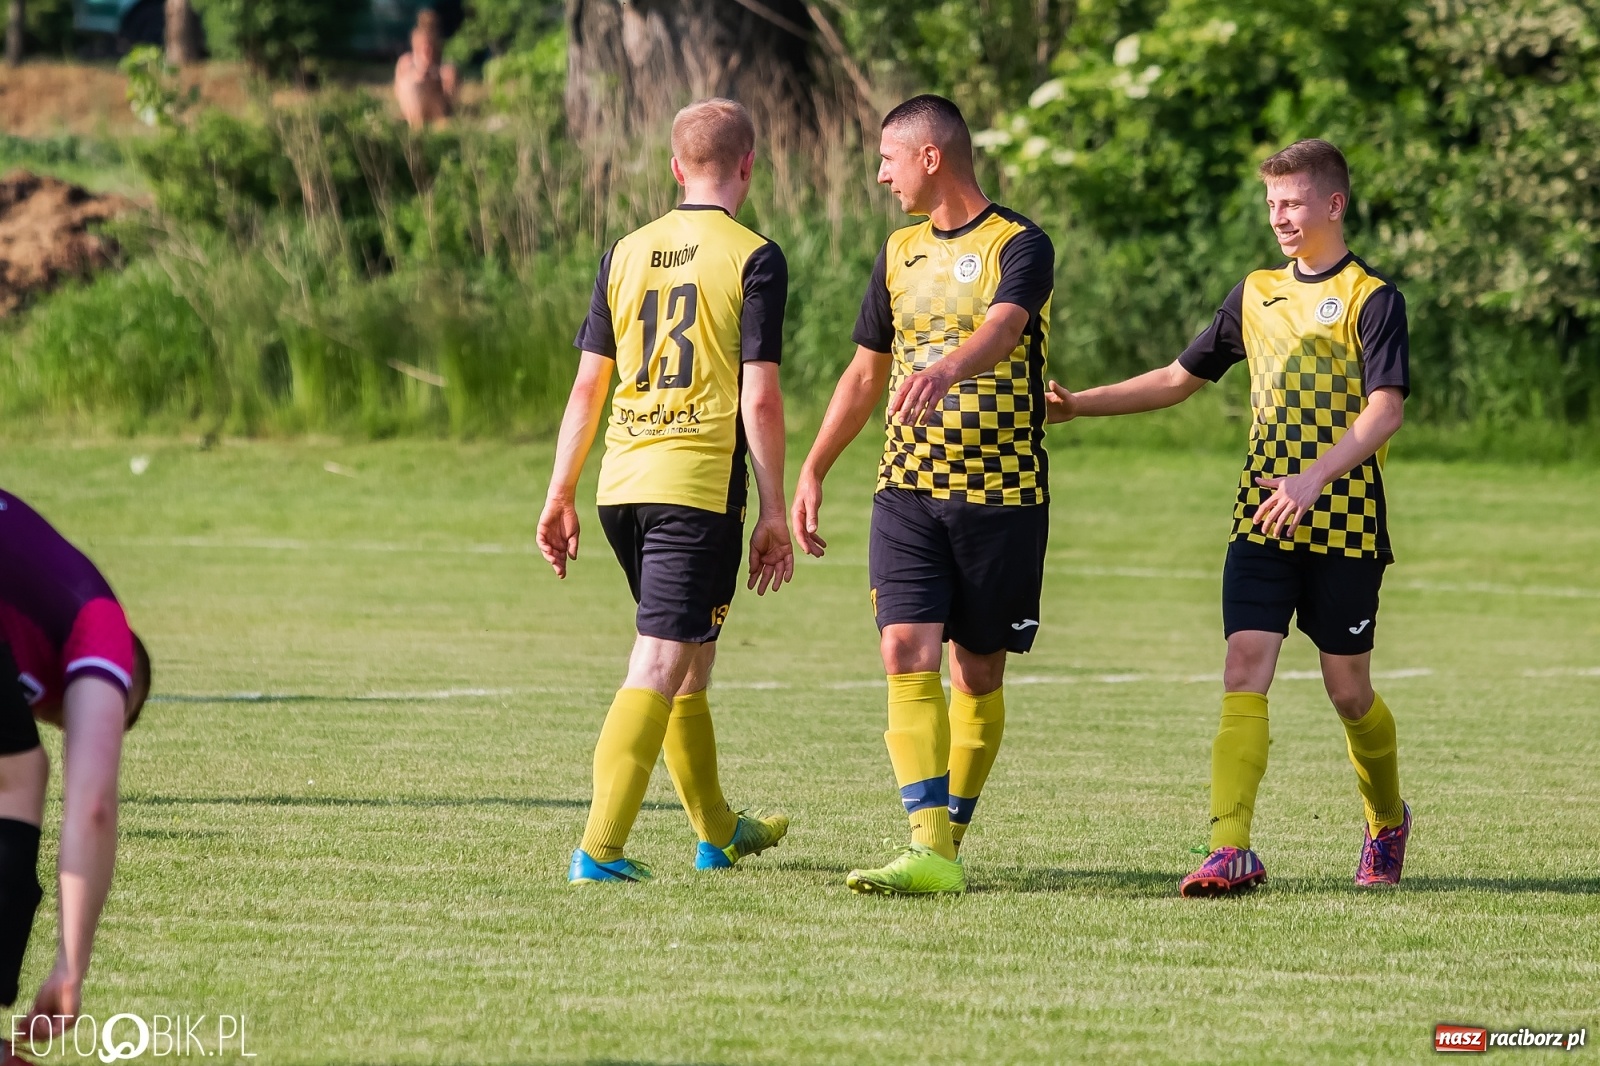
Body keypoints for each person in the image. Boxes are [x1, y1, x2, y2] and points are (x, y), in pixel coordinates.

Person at [1046, 138, 1413, 895]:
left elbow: (1386, 411)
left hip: (1344, 526)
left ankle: (1385, 821)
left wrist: (1314, 477)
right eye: (1272, 203)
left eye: (1293, 202)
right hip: (1261, 522)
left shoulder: (1374, 299)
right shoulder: (1254, 294)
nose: (1279, 217)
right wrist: (1082, 404)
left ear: (1333, 205)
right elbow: (1179, 378)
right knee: (1244, 667)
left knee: (1349, 693)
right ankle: (1230, 847)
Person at [792, 95, 1055, 896]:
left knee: (977, 674)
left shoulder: (1021, 243)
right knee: (904, 651)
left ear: (931, 156)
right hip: (906, 489)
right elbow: (867, 370)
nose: (880, 175)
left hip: (1002, 497)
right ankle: (928, 845)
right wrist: (813, 466)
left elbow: (1006, 329)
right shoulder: (897, 251)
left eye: (887, 159)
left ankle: (949, 839)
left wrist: (945, 367)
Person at [538, 98, 794, 885]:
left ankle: (717, 830)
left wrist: (560, 494)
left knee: (692, 655)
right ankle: (601, 849)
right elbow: (759, 399)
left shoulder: (625, 251)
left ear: (676, 168)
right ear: (748, 165)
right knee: (658, 659)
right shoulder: (755, 256)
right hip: (694, 487)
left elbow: (588, 388)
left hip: (623, 484)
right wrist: (776, 510)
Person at [0, 489, 151, 1062]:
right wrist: (70, 967)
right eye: (119, 714)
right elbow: (91, 804)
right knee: (20, 777)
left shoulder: (27, 627)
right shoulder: (101, 625)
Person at [394, 9, 458, 129]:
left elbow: (450, 93)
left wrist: (438, 78)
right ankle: (416, 123)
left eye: (430, 45)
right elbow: (398, 90)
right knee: (410, 84)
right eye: (423, 44)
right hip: (413, 110)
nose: (427, 49)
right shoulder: (406, 62)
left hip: (437, 107)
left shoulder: (444, 66)